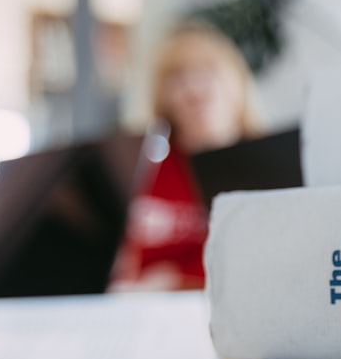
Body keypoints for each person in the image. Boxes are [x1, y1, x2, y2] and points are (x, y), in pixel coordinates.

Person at [109, 22, 261, 292]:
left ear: (236, 82)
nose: (193, 89)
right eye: (177, 78)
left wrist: (177, 279)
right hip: (147, 313)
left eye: (208, 72)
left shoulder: (268, 164)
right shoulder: (144, 166)